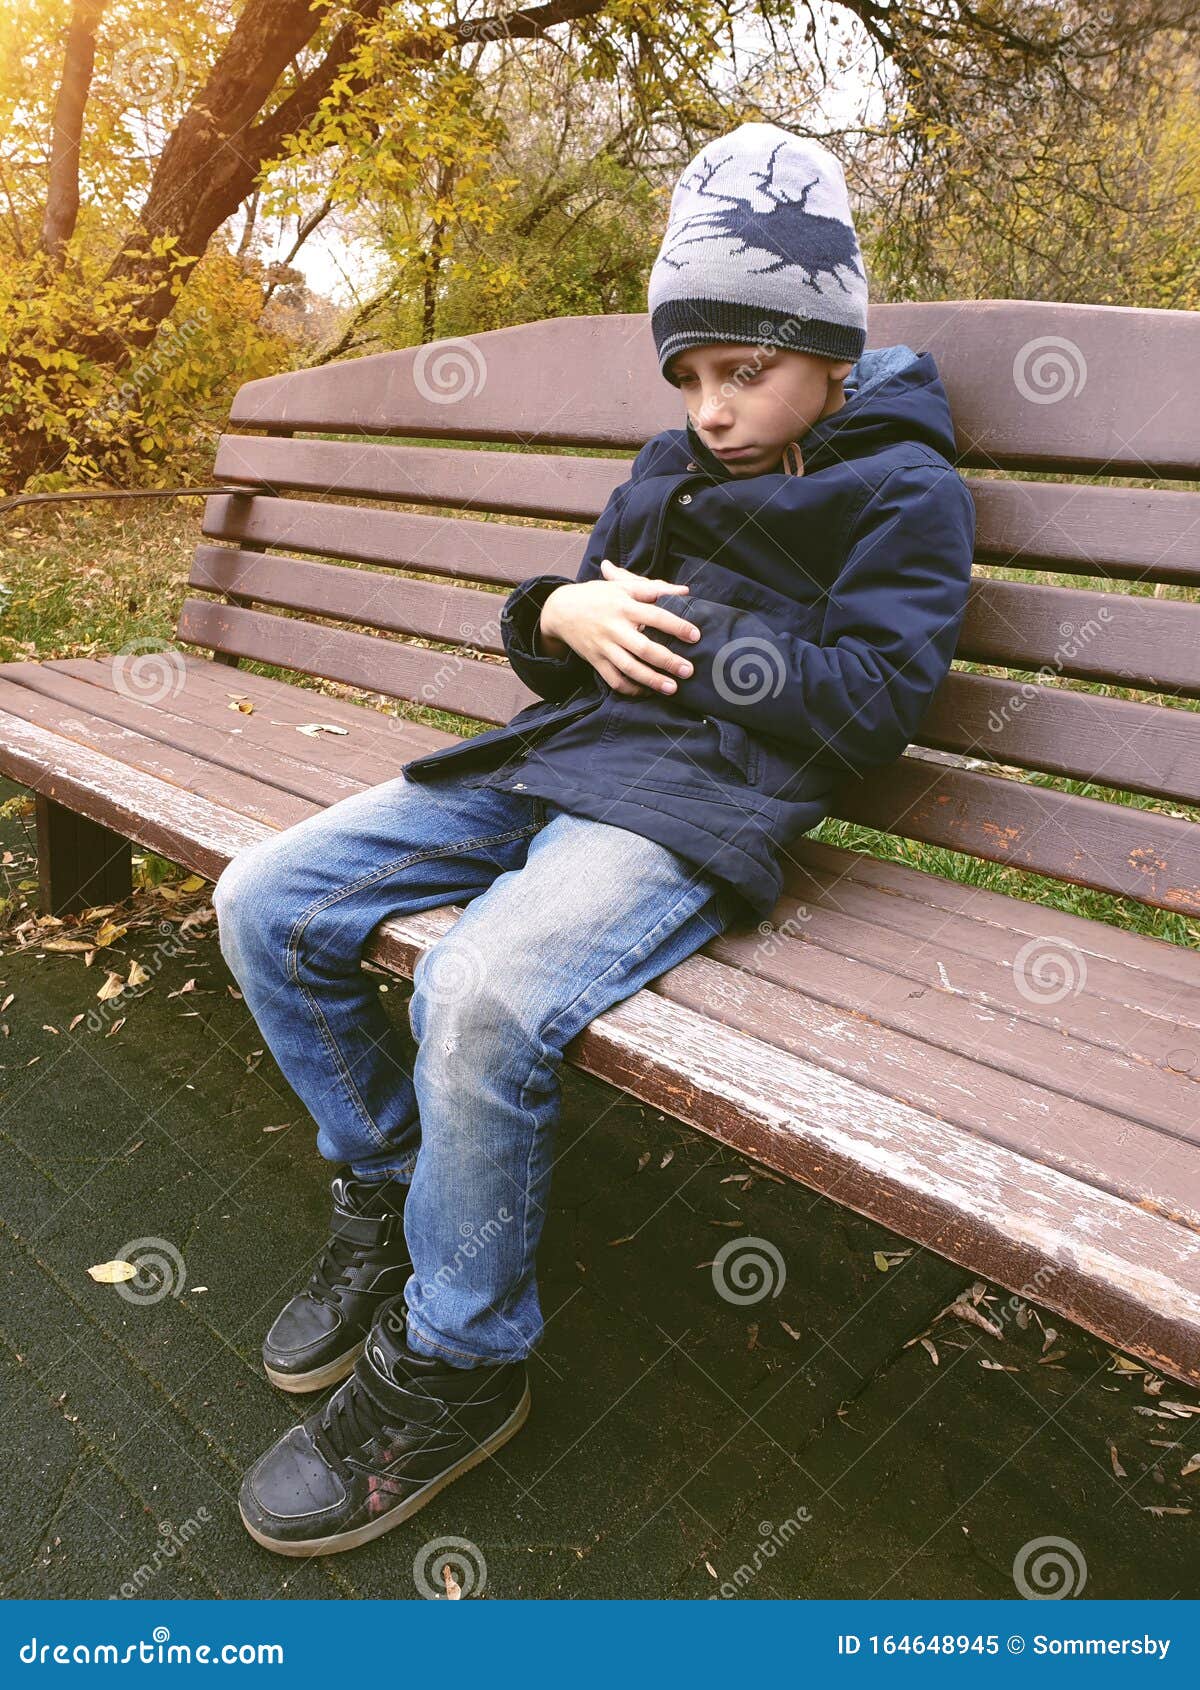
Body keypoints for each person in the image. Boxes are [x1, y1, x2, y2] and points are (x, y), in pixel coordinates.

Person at [215, 120, 977, 1557]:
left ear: (826, 342)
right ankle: (388, 1185)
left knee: (482, 991)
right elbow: (581, 630)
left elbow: (874, 702)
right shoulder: (666, 463)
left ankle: (464, 1350)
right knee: (264, 898)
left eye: (742, 369)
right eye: (688, 375)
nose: (711, 407)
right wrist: (550, 615)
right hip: (559, 757)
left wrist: (696, 645)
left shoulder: (905, 489)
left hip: (694, 804)